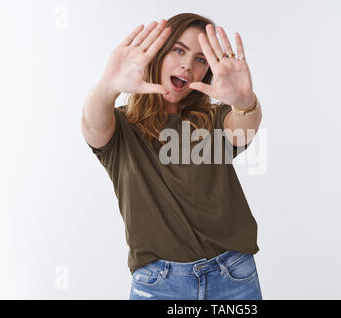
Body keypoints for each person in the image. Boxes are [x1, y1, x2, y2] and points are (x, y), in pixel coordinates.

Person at [81, 13, 263, 300]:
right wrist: (108, 86)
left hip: (232, 275)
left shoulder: (214, 118)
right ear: (158, 54)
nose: (188, 65)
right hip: (158, 284)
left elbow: (243, 127)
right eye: (179, 50)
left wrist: (245, 103)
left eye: (201, 59)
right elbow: (92, 124)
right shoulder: (121, 127)